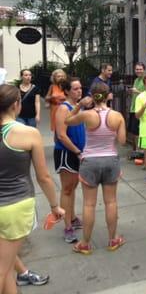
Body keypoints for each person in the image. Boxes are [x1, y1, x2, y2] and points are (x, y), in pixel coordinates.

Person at [0, 84, 64, 294]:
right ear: (16, 105)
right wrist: (55, 206)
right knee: (2, 269)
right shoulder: (28, 133)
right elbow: (44, 177)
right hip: (16, 206)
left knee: (8, 268)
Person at [65, 82, 127, 254]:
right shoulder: (117, 116)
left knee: (89, 204)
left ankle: (85, 243)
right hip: (110, 160)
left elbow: (67, 120)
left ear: (92, 96)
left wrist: (79, 104)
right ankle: (113, 239)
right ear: (108, 96)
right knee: (111, 202)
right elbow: (122, 141)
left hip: (90, 162)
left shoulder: (86, 115)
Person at [54, 77, 86, 243]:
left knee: (73, 186)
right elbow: (61, 135)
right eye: (75, 89)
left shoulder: (77, 107)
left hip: (77, 153)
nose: (79, 91)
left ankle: (72, 218)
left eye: (80, 88)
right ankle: (67, 227)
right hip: (66, 153)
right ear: (66, 91)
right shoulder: (63, 108)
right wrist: (77, 151)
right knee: (67, 189)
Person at [128, 62, 145, 152]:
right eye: (137, 69)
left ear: (144, 70)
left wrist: (137, 91)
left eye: (140, 69)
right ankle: (136, 150)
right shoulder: (136, 80)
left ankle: (140, 151)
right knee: (133, 131)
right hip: (133, 108)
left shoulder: (145, 80)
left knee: (138, 131)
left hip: (140, 110)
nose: (138, 71)